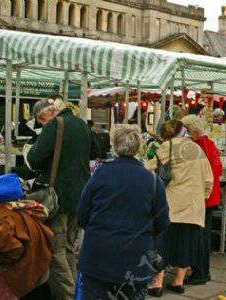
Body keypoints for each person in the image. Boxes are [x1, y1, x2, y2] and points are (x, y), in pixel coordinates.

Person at [77, 124, 170, 299]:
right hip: (135, 258)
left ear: (114, 146)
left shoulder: (99, 175)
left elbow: (82, 215)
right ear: (139, 148)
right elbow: (162, 222)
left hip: (98, 255)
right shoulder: (153, 181)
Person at [26, 96, 98, 299]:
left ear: (46, 114)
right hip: (80, 195)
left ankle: (66, 296)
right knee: (68, 249)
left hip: (57, 197)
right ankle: (75, 292)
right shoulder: (81, 124)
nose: (40, 124)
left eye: (40, 120)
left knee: (55, 252)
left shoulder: (53, 126)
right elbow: (95, 151)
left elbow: (33, 159)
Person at [145, 120, 213, 295]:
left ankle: (157, 282)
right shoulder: (197, 149)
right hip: (193, 207)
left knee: (161, 244)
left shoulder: (167, 147)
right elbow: (208, 180)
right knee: (186, 244)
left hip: (171, 205)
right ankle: (178, 281)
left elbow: (149, 169)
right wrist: (200, 197)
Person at [180, 115, 222, 285]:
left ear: (191, 131)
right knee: (203, 235)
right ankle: (203, 270)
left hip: (203, 196)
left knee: (199, 236)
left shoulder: (197, 147)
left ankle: (201, 272)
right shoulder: (209, 144)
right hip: (211, 195)